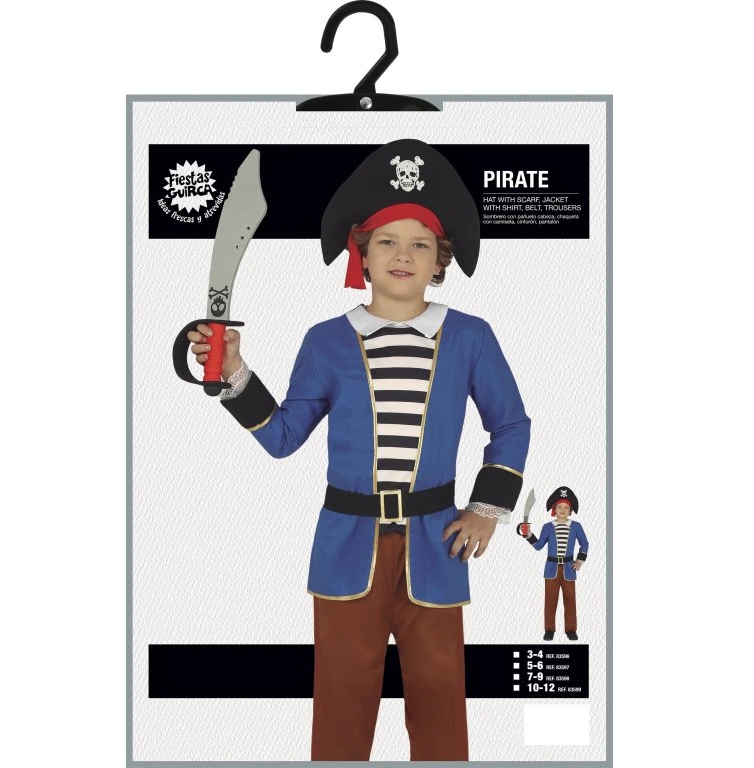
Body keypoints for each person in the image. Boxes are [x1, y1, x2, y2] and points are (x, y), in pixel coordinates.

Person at [187, 139, 530, 761]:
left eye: (420, 244)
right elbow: (283, 437)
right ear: (361, 254)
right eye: (387, 241)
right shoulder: (325, 341)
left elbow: (510, 424)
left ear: (441, 260)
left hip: (436, 542)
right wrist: (234, 374)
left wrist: (486, 510)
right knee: (342, 703)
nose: (403, 255)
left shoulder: (471, 337)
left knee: (440, 700)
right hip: (346, 545)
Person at [517, 486, 589, 641]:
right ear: (554, 509)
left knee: (570, 600)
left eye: (566, 507)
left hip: (569, 568)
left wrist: (579, 560)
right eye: (559, 507)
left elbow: (584, 543)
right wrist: (528, 534)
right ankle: (549, 629)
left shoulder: (576, 526)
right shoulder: (547, 527)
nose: (562, 510)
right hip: (551, 569)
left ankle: (571, 629)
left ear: (570, 510)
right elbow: (538, 546)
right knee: (550, 601)